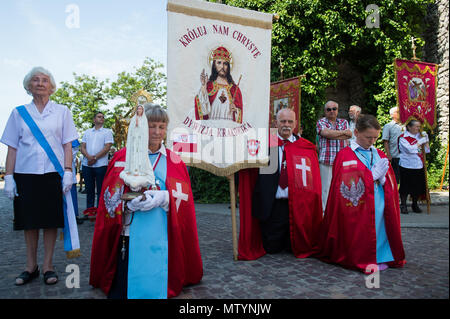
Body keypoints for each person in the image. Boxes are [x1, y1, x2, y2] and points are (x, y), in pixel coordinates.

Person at [90, 103, 203, 299]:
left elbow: (185, 201)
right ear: (142, 126)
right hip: (130, 230)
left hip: (163, 233)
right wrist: (125, 204)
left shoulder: (175, 160)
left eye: (161, 126)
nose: (157, 132)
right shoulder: (122, 156)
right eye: (152, 126)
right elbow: (109, 198)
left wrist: (165, 197)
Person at [1, 66, 79, 285]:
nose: (40, 83)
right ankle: (30, 266)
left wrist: (68, 171)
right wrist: (8, 176)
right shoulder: (18, 112)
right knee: (30, 222)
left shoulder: (62, 111)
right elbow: (12, 147)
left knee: (50, 220)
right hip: (26, 174)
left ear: (51, 87)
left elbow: (67, 144)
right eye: (35, 80)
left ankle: (48, 266)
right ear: (29, 86)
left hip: (52, 174)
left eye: (45, 80)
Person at [317, 114, 406, 272]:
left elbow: (390, 179)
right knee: (361, 230)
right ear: (356, 133)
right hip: (357, 205)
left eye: (375, 138)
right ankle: (360, 256)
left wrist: (385, 181)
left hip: (378, 199)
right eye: (368, 137)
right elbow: (343, 185)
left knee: (379, 227)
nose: (372, 141)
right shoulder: (345, 155)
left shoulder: (379, 153)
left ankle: (380, 256)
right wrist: (371, 176)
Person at [238, 108, 323, 259]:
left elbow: (312, 180)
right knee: (272, 248)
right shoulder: (265, 144)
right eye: (283, 121)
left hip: (296, 206)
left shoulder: (305, 147)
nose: (286, 125)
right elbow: (248, 168)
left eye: (290, 121)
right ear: (275, 123)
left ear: (295, 123)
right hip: (272, 206)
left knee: (294, 247)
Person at [316, 101, 352, 211]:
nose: (332, 111)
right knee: (325, 189)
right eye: (329, 109)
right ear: (325, 111)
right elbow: (326, 134)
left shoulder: (344, 121)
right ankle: (324, 212)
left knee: (342, 187)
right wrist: (341, 133)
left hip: (342, 161)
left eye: (334, 109)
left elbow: (349, 135)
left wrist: (332, 134)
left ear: (337, 110)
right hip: (326, 160)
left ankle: (339, 211)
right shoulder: (321, 121)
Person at [195, 46, 243, 123]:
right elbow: (204, 111)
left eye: (225, 64)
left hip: (229, 128)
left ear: (228, 66)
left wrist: (236, 110)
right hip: (212, 127)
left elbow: (239, 114)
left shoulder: (234, 89)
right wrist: (204, 87)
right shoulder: (209, 86)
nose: (222, 66)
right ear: (214, 65)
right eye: (219, 63)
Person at [80, 112, 114, 209]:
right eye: (99, 117)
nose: (101, 118)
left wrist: (94, 158)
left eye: (103, 117)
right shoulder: (87, 132)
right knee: (89, 189)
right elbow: (82, 147)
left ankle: (99, 212)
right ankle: (89, 211)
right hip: (87, 165)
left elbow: (107, 147)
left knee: (101, 190)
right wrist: (89, 157)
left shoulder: (107, 132)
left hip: (101, 165)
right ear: (94, 120)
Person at [119, 104, 155, 191]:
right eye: (138, 109)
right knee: (133, 155)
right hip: (134, 140)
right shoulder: (133, 119)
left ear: (142, 110)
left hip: (141, 141)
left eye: (140, 109)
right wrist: (135, 126)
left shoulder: (144, 119)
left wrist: (139, 126)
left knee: (140, 155)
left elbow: (144, 131)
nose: (139, 110)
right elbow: (130, 130)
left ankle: (140, 170)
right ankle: (132, 170)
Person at [398, 120, 430, 214]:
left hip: (418, 164)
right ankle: (403, 205)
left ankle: (414, 204)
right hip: (407, 165)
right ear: (409, 127)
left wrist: (426, 140)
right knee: (405, 186)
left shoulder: (420, 136)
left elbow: (426, 150)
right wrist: (420, 141)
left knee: (417, 186)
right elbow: (410, 149)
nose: (418, 129)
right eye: (416, 126)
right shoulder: (403, 137)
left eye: (419, 126)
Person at [382, 107, 403, 185]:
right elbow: (385, 141)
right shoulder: (388, 126)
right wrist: (388, 154)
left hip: (405, 156)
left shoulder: (405, 126)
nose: (399, 113)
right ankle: (395, 194)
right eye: (397, 112)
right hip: (395, 155)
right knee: (395, 177)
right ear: (392, 115)